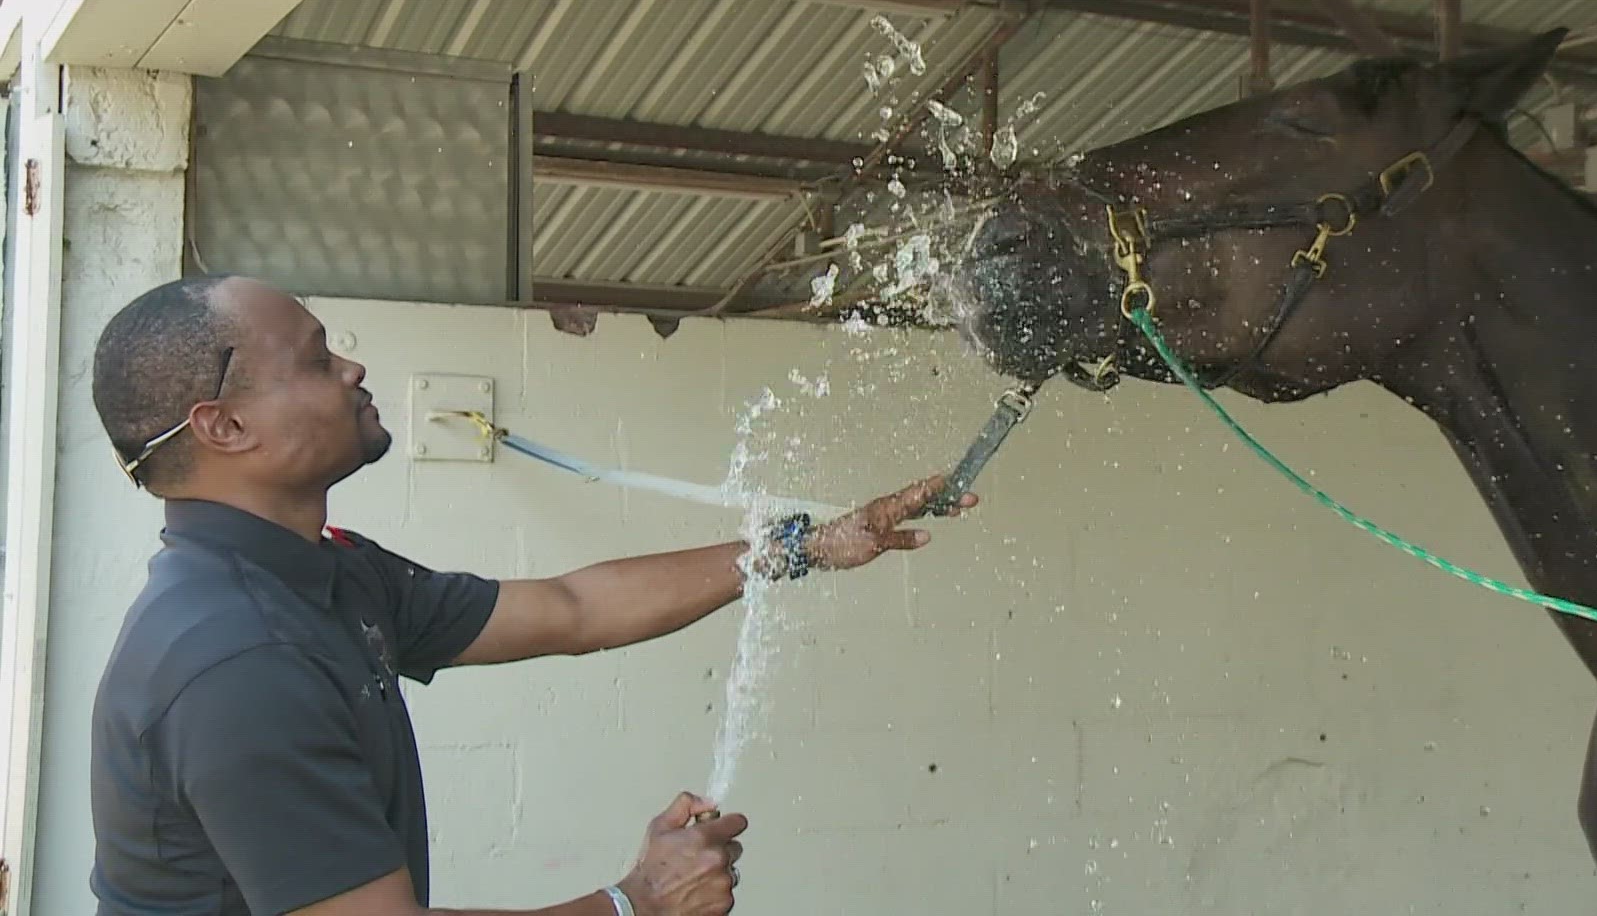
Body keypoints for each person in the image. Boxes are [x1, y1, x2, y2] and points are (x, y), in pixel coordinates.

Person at [84, 274, 977, 916]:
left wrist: (812, 544)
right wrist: (638, 903)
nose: (353, 370)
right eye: (318, 361)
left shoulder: (321, 573)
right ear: (225, 426)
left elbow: (571, 608)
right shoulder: (237, 663)